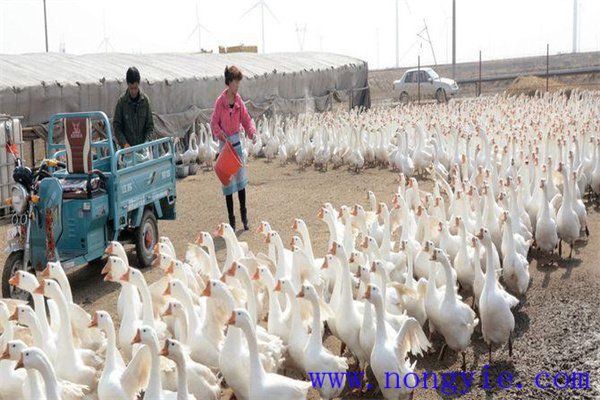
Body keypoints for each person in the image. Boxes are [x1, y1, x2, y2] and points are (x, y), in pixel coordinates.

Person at [210, 65, 256, 231]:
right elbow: (214, 123)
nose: (237, 86)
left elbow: (246, 120)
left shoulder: (238, 101)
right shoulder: (220, 103)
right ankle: (232, 220)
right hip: (225, 147)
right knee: (228, 184)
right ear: (229, 83)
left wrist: (252, 133)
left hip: (237, 146)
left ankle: (244, 217)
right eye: (236, 83)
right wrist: (222, 135)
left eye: (238, 83)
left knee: (241, 183)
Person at [113, 67, 154, 148]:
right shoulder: (121, 102)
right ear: (127, 84)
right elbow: (117, 127)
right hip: (127, 151)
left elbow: (150, 126)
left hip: (143, 149)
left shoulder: (145, 101)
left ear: (138, 84)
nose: (133, 91)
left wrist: (146, 143)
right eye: (131, 88)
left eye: (135, 88)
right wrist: (124, 143)